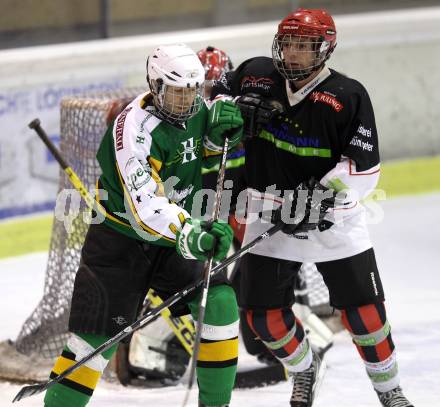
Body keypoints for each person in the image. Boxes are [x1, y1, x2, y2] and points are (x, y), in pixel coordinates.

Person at [211, 8, 414, 407]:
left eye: (305, 46)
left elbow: (364, 167)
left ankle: (391, 393)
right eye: (288, 44)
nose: (294, 54)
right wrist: (230, 107)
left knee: (366, 317)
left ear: (325, 49)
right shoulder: (256, 75)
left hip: (332, 220)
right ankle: (305, 368)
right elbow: (215, 95)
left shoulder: (346, 96)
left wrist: (318, 195)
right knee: (263, 319)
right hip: (268, 214)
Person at [44, 43, 244, 407]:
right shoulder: (132, 130)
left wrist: (216, 139)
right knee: (92, 343)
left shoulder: (199, 109)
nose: (186, 101)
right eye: (176, 92)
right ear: (154, 85)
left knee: (220, 302)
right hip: (121, 241)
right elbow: (145, 208)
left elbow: (197, 151)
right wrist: (192, 232)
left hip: (175, 238)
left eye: (192, 91)